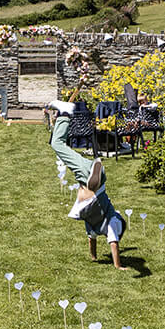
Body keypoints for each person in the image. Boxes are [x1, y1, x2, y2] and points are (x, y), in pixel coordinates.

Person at [45, 100, 126, 269]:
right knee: (57, 144)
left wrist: (94, 257)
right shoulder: (112, 223)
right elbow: (113, 244)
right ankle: (66, 113)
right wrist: (118, 266)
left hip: (86, 179)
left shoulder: (94, 226)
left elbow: (92, 240)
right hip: (88, 178)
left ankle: (95, 174)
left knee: (59, 145)